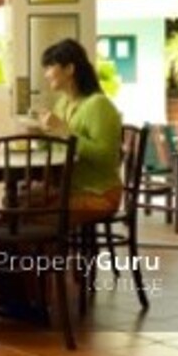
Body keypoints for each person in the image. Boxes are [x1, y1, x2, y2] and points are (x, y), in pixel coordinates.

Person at [38, 37, 123, 223]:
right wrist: (39, 135)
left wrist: (65, 131)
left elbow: (107, 158)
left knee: (32, 216)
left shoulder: (98, 105)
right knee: (18, 204)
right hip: (69, 190)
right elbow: (57, 147)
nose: (46, 74)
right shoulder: (63, 104)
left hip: (100, 193)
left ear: (69, 69)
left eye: (50, 67)